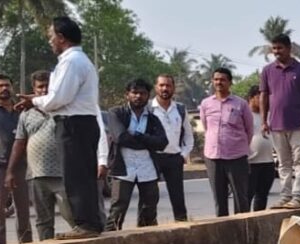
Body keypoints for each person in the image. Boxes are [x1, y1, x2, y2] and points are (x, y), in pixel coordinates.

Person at [14, 16, 102, 239]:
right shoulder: (76, 60)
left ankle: (86, 225)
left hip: (74, 125)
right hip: (79, 123)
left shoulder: (71, 62)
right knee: (80, 176)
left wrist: (34, 101)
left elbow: (58, 99)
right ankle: (89, 223)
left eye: (51, 36)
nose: (50, 41)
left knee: (76, 177)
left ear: (61, 38)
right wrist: (36, 99)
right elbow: (58, 96)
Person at [6, 71, 72, 241]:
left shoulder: (64, 108)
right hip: (36, 175)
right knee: (43, 221)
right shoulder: (26, 114)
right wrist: (10, 171)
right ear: (34, 89)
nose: (44, 90)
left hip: (63, 173)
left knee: (72, 215)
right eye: (40, 87)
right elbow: (19, 143)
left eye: (47, 86)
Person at [104, 79, 168, 231]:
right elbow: (120, 137)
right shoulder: (116, 113)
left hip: (148, 168)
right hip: (123, 167)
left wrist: (138, 135)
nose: (138, 96)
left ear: (148, 96)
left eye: (142, 93)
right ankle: (112, 241)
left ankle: (147, 239)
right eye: (135, 93)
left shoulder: (153, 119)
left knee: (149, 210)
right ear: (127, 94)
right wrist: (147, 141)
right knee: (118, 209)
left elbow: (162, 142)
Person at [261, 33, 300, 209]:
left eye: (280, 48)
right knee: (283, 163)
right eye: (274, 48)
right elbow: (264, 96)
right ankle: (285, 196)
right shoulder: (267, 70)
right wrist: (264, 121)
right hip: (276, 125)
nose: (277, 51)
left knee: (299, 162)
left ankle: (297, 197)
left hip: (298, 124)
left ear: (289, 48)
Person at [199, 68, 253, 216]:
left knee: (240, 198)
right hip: (213, 157)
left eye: (222, 80)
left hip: (236, 157)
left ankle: (242, 228)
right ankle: (222, 228)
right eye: (216, 79)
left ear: (230, 82)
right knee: (219, 198)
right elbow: (206, 127)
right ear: (212, 81)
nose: (219, 82)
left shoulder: (241, 104)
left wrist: (238, 146)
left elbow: (249, 130)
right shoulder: (205, 104)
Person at [0, 74, 31, 244]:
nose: (4, 89)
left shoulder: (21, 110)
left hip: (21, 166)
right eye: (0, 86)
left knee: (23, 209)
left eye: (7, 85)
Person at [150, 74, 194, 222]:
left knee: (177, 197)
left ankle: (182, 225)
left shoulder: (180, 109)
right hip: (153, 158)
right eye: (161, 85)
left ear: (173, 88)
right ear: (156, 87)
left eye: (168, 85)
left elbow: (188, 136)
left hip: (174, 158)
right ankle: (147, 227)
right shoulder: (148, 108)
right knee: (149, 196)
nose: (165, 88)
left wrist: (183, 154)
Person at [247, 85, 275, 211]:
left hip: (268, 162)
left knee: (262, 197)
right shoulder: (246, 115)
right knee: (247, 196)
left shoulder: (269, 116)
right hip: (250, 162)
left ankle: (257, 220)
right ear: (251, 98)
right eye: (260, 97)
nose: (264, 101)